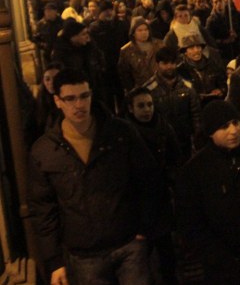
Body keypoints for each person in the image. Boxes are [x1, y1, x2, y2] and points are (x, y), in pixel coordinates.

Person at [28, 68, 158, 285]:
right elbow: (43, 210)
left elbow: (149, 178)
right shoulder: (46, 151)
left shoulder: (120, 133)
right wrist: (55, 262)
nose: (79, 104)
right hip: (84, 254)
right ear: (58, 101)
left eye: (84, 96)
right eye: (70, 99)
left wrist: (145, 227)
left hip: (128, 242)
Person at [176, 100, 240, 284]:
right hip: (223, 266)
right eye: (224, 127)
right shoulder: (196, 171)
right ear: (210, 132)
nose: (234, 131)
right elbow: (190, 222)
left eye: (236, 123)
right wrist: (215, 256)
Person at [126, 87, 183, 284]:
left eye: (149, 104)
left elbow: (176, 159)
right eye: (141, 106)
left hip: (161, 199)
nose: (147, 110)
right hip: (137, 204)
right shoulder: (126, 133)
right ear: (131, 109)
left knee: (166, 254)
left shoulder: (164, 128)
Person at [143, 46, 202, 157]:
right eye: (165, 63)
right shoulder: (149, 89)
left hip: (184, 140)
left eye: (172, 63)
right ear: (158, 64)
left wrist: (197, 137)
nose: (169, 67)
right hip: (161, 142)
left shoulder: (187, 87)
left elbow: (196, 114)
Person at [177, 34, 227, 105]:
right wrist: (196, 97)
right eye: (191, 48)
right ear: (185, 52)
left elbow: (224, 83)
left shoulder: (212, 65)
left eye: (198, 47)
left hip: (213, 104)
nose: (196, 50)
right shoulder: (181, 71)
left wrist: (221, 90)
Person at [118, 17, 165, 92]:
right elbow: (125, 74)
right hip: (141, 89)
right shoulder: (126, 51)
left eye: (146, 29)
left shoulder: (159, 45)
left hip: (161, 87)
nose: (144, 32)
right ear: (133, 33)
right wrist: (133, 90)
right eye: (140, 30)